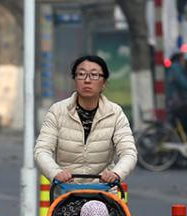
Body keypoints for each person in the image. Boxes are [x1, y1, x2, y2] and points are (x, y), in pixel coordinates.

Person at [34, 55, 136, 185]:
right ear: (74, 80)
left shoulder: (115, 113)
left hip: (104, 191)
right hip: (66, 192)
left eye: (94, 75)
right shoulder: (57, 111)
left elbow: (129, 152)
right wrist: (55, 172)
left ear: (104, 83)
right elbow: (42, 150)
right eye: (81, 74)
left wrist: (116, 173)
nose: (87, 80)